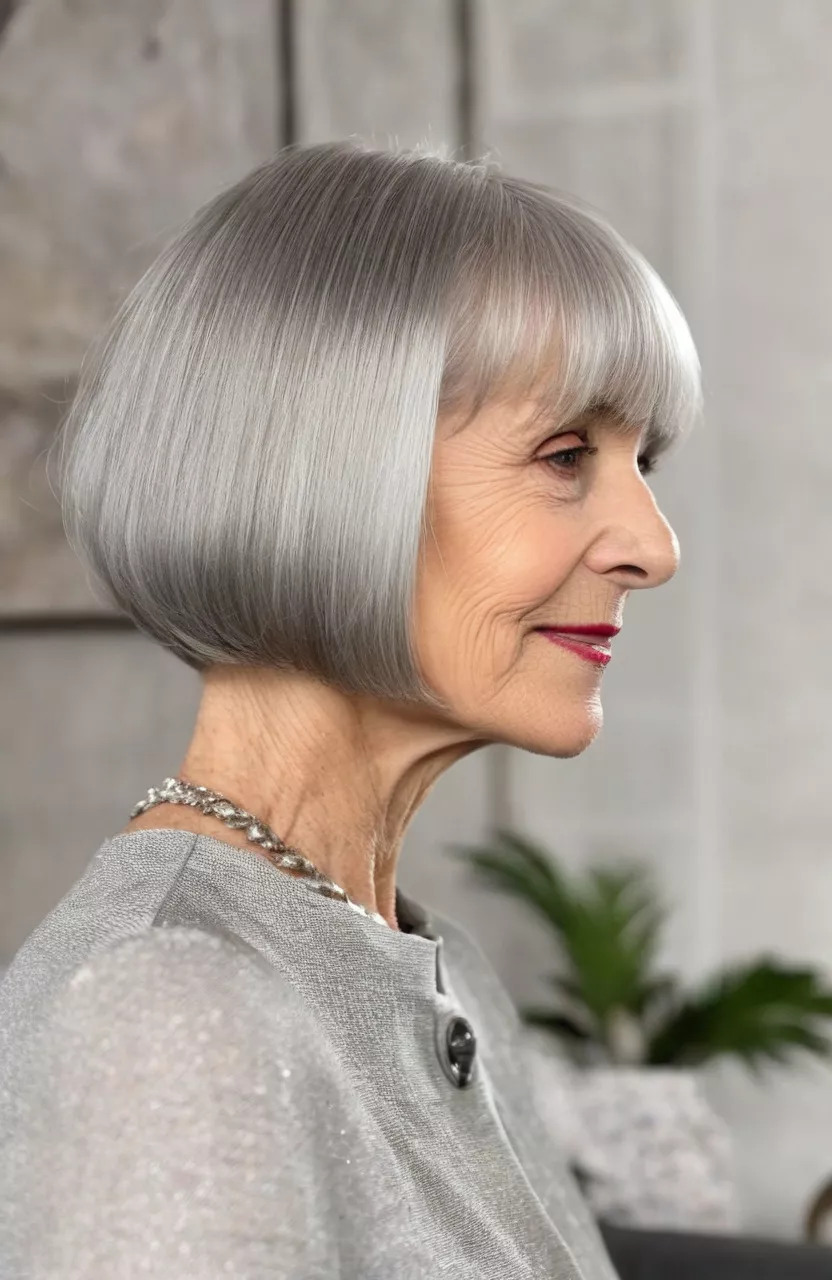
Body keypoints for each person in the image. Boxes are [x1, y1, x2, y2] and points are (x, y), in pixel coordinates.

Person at [0, 140, 700, 1279]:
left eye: (643, 459)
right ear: (319, 478)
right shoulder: (169, 1021)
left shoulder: (433, 964)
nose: (654, 548)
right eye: (565, 454)